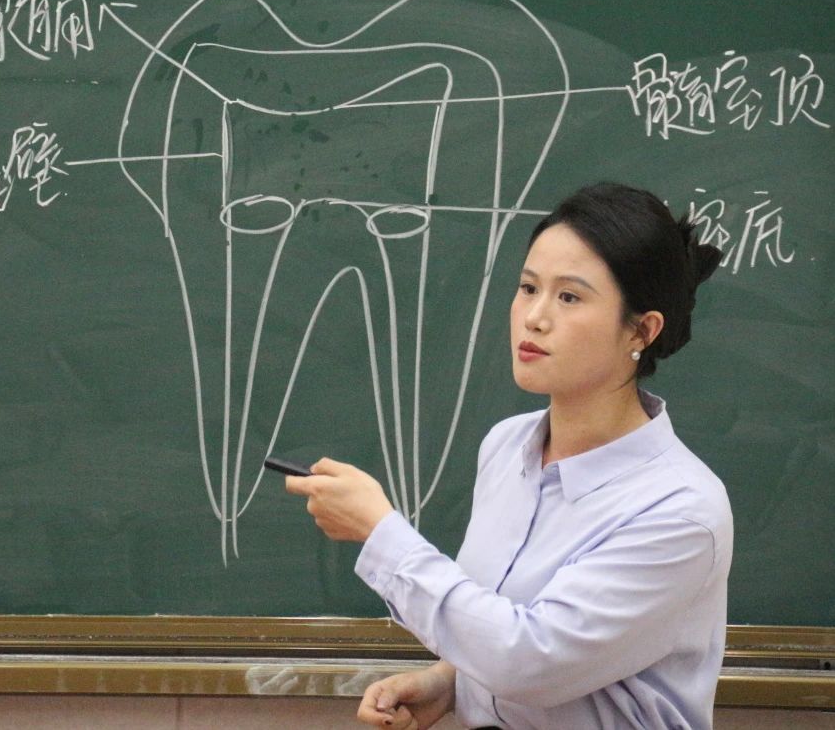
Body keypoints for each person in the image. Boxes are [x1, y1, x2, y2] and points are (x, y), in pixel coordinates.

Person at [285, 182, 732, 730]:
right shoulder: (506, 447)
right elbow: (505, 624)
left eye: (569, 297)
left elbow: (532, 660)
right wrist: (450, 683)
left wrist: (380, 534)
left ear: (641, 329)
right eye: (528, 287)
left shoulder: (680, 510)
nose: (534, 317)